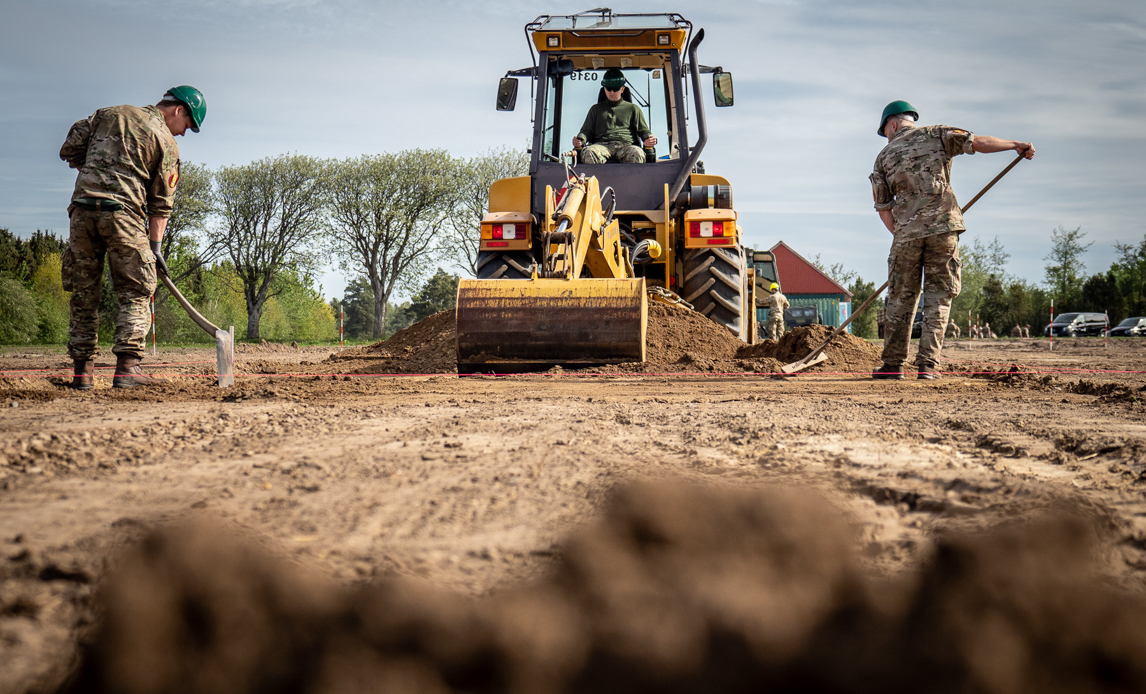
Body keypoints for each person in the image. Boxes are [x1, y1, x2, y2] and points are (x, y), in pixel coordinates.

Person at [869, 100, 1034, 380]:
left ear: (893, 124)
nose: (886, 136)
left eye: (885, 130)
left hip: (906, 234)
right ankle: (928, 366)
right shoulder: (938, 133)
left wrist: (904, 232)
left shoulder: (883, 156)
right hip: (944, 229)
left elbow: (883, 209)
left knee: (900, 298)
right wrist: (1015, 144)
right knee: (938, 298)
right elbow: (978, 143)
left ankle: (893, 366)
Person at [60, 86, 206, 389]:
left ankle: (82, 374)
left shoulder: (108, 113)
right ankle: (128, 368)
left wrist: (98, 167)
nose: (183, 134)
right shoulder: (165, 141)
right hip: (123, 216)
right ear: (179, 110)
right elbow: (160, 205)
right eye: (188, 126)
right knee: (137, 291)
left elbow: (70, 149)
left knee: (83, 295)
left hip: (82, 213)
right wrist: (155, 249)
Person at [572, 69, 657, 164]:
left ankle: (633, 179)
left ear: (622, 89)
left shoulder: (633, 109)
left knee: (636, 153)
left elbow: (644, 131)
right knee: (589, 152)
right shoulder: (595, 109)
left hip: (625, 146)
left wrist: (650, 139)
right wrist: (580, 140)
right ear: (604, 89)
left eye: (615, 89)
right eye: (608, 89)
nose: (612, 92)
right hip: (601, 146)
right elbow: (585, 132)